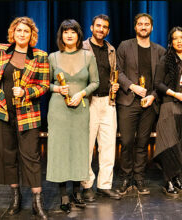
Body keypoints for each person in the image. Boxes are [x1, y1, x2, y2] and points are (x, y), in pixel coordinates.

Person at [0, 17, 49, 219]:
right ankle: (15, 198)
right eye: (18, 30)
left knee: (31, 156)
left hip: (28, 114)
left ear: (32, 35)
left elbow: (44, 85)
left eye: (26, 31)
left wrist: (26, 93)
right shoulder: (2, 49)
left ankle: (37, 202)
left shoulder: (40, 56)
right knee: (8, 155)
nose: (22, 34)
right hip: (1, 111)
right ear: (13, 33)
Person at [46, 19, 99, 213]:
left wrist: (82, 93)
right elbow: (45, 84)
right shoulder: (53, 57)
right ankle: (64, 195)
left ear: (78, 35)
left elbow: (96, 82)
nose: (69, 35)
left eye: (73, 32)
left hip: (80, 108)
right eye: (65, 32)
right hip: (59, 109)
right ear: (61, 35)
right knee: (60, 150)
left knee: (79, 149)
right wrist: (58, 88)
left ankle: (77, 192)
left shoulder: (88, 56)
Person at [116, 13, 166, 195]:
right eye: (140, 24)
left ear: (152, 28)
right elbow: (118, 71)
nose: (144, 27)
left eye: (147, 24)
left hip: (149, 104)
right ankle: (125, 177)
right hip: (128, 101)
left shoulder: (160, 51)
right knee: (127, 141)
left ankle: (139, 178)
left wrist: (153, 95)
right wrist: (132, 87)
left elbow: (161, 79)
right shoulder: (124, 46)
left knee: (143, 143)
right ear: (135, 27)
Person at [153, 27, 182, 196]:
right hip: (170, 105)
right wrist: (174, 93)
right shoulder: (166, 59)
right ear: (171, 42)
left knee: (181, 144)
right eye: (175, 38)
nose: (179, 41)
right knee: (168, 144)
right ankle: (168, 181)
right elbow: (157, 83)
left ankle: (176, 178)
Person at [81, 14, 121, 201]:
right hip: (89, 102)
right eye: (98, 26)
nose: (101, 29)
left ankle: (104, 185)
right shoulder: (82, 47)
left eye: (104, 27)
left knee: (108, 146)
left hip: (108, 102)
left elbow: (114, 73)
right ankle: (87, 185)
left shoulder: (111, 49)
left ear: (108, 30)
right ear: (91, 27)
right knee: (87, 147)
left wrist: (115, 85)